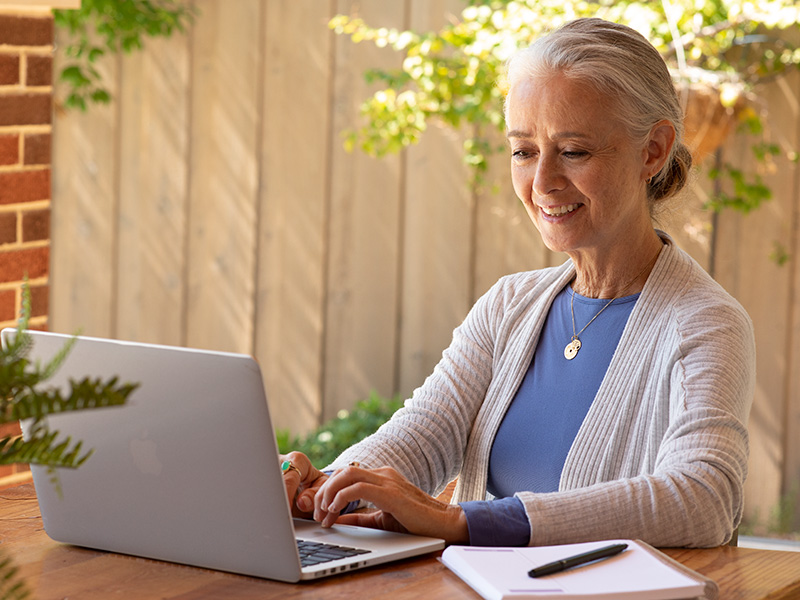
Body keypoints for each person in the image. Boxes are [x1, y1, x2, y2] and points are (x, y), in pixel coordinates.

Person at [281, 17, 755, 549]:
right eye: (524, 151)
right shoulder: (508, 305)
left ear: (653, 150)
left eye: (573, 151)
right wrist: (322, 488)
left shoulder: (706, 322)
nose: (543, 181)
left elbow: (703, 499)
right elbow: (419, 436)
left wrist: (465, 523)